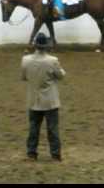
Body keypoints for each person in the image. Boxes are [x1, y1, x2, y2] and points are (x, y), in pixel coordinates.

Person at [21, 32, 66, 162]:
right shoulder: (53, 60)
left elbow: (24, 77)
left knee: (33, 127)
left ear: (36, 45)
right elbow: (61, 76)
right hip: (50, 100)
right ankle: (55, 154)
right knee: (52, 128)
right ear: (46, 46)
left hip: (34, 99)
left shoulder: (25, 60)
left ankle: (31, 153)